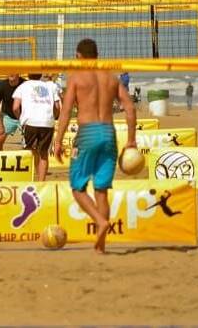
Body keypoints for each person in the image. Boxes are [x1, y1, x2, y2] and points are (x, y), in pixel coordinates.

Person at [53, 39, 136, 254]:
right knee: (101, 191)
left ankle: (99, 221)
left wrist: (58, 141)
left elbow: (65, 111)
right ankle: (101, 247)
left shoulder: (76, 78)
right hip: (109, 133)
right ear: (97, 55)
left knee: (78, 187)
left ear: (79, 56)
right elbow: (129, 108)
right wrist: (131, 140)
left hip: (87, 133)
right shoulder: (111, 77)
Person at [12, 74, 60, 182]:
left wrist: (21, 119)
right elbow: (57, 107)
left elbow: (15, 108)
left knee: (28, 151)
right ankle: (41, 182)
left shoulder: (23, 86)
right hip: (47, 122)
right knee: (43, 153)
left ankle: (28, 180)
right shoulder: (51, 86)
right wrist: (53, 117)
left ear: (28, 74)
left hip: (30, 122)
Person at [0, 74, 25, 150]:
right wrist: (0, 126)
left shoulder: (25, 85)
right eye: (9, 71)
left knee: (33, 141)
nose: (11, 73)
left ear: (18, 73)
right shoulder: (1, 86)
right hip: (9, 117)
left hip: (24, 116)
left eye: (13, 71)